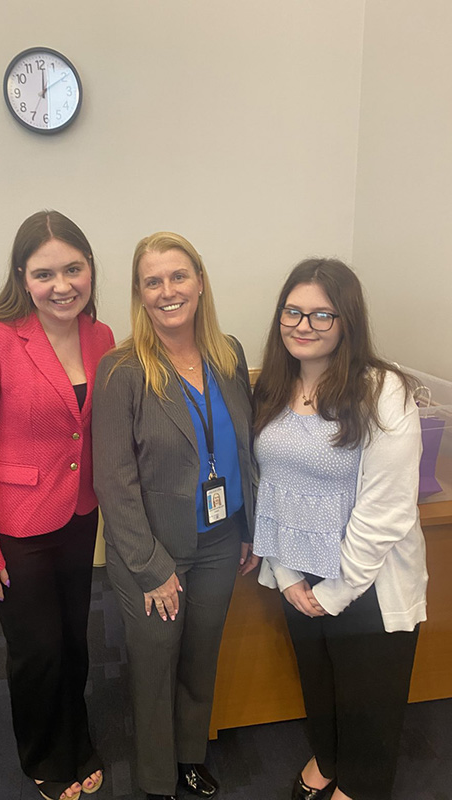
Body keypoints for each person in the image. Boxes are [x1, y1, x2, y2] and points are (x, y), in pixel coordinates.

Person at [0, 210, 114, 800]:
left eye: (74, 268)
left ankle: (78, 737)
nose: (62, 284)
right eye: (45, 274)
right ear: (22, 276)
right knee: (37, 649)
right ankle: (45, 756)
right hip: (14, 527)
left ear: (91, 269)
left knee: (73, 639)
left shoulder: (100, 336)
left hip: (78, 513)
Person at [249, 258, 428, 800]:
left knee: (368, 694)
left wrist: (337, 590)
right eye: (293, 312)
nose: (303, 325)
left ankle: (363, 782)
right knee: (320, 680)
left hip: (367, 578)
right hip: (296, 567)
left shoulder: (382, 389)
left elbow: (388, 508)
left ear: (347, 320)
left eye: (321, 315)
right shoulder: (275, 386)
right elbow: (268, 485)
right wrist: (285, 574)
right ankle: (327, 758)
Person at [92, 232, 258, 800]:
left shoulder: (228, 353)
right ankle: (158, 779)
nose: (168, 291)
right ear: (140, 295)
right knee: (155, 663)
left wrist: (248, 528)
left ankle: (191, 755)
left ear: (200, 281)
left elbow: (244, 446)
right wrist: (149, 565)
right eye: (153, 281)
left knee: (200, 653)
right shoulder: (122, 371)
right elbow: (113, 481)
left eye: (178, 276)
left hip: (220, 539)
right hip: (153, 548)